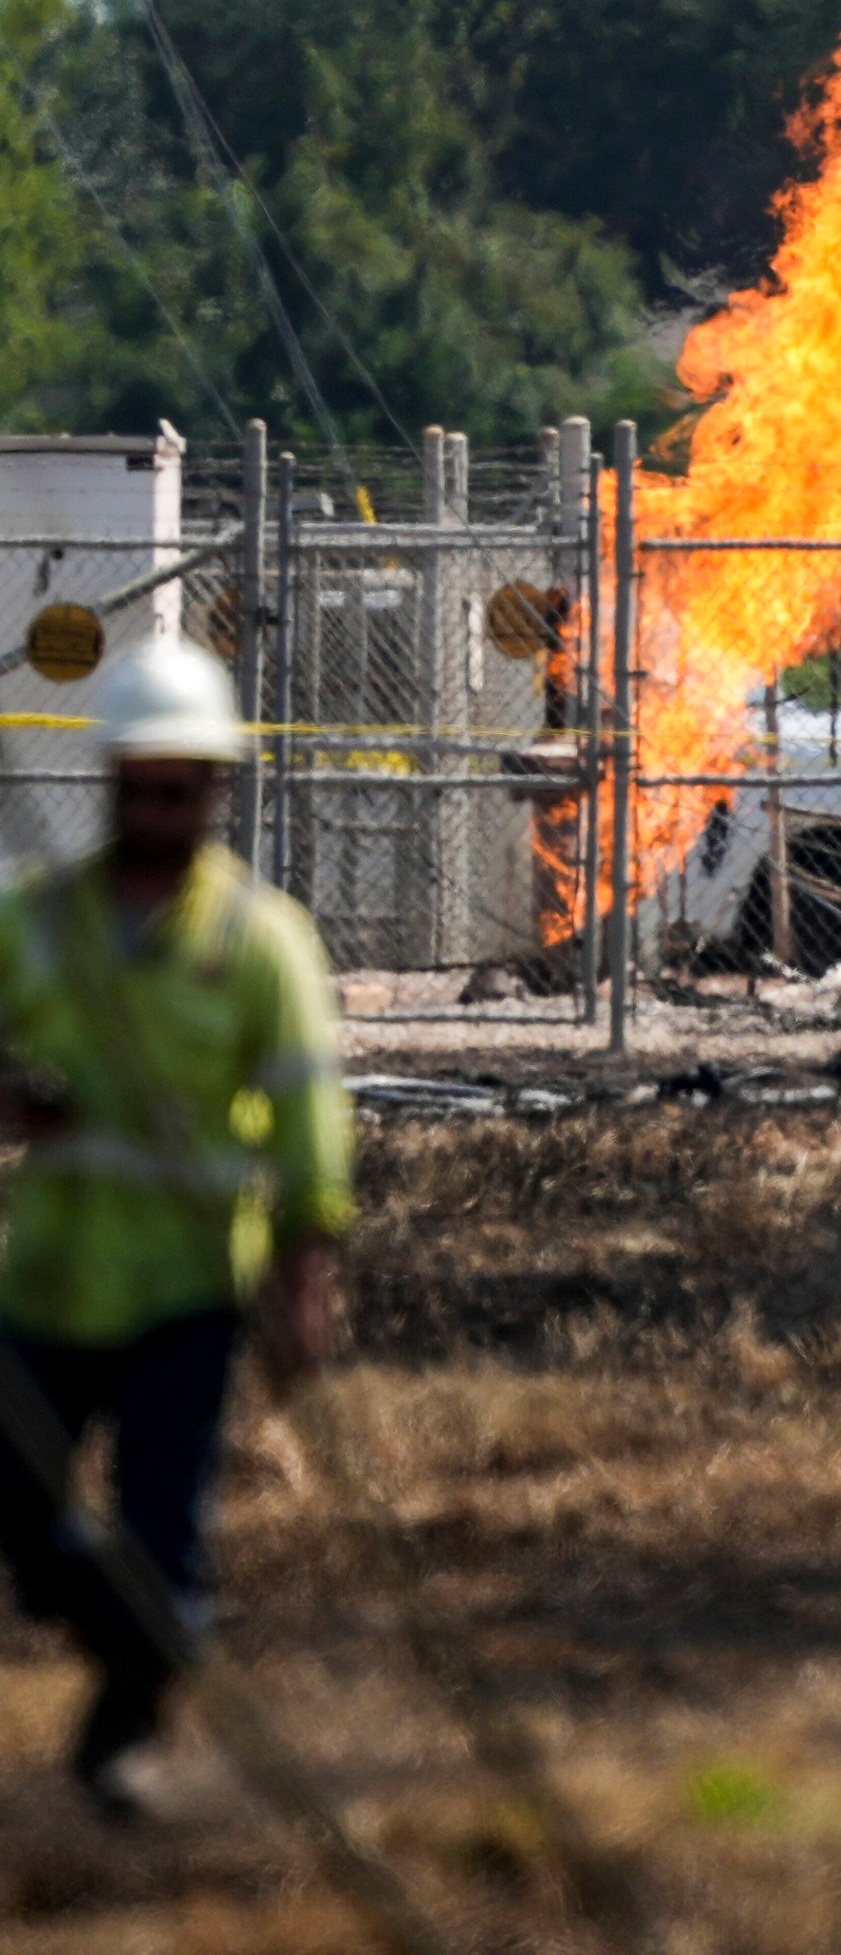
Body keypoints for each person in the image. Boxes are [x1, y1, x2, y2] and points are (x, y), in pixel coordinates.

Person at [0, 635, 353, 1813]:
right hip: (48, 1281)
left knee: (161, 1518)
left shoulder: (260, 942)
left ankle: (124, 1736)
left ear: (215, 790)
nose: (155, 809)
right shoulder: (38, 923)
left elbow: (308, 1111)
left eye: (178, 787)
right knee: (20, 1512)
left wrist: (307, 1269)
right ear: (108, 786)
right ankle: (156, 1633)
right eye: (136, 786)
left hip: (188, 1287)